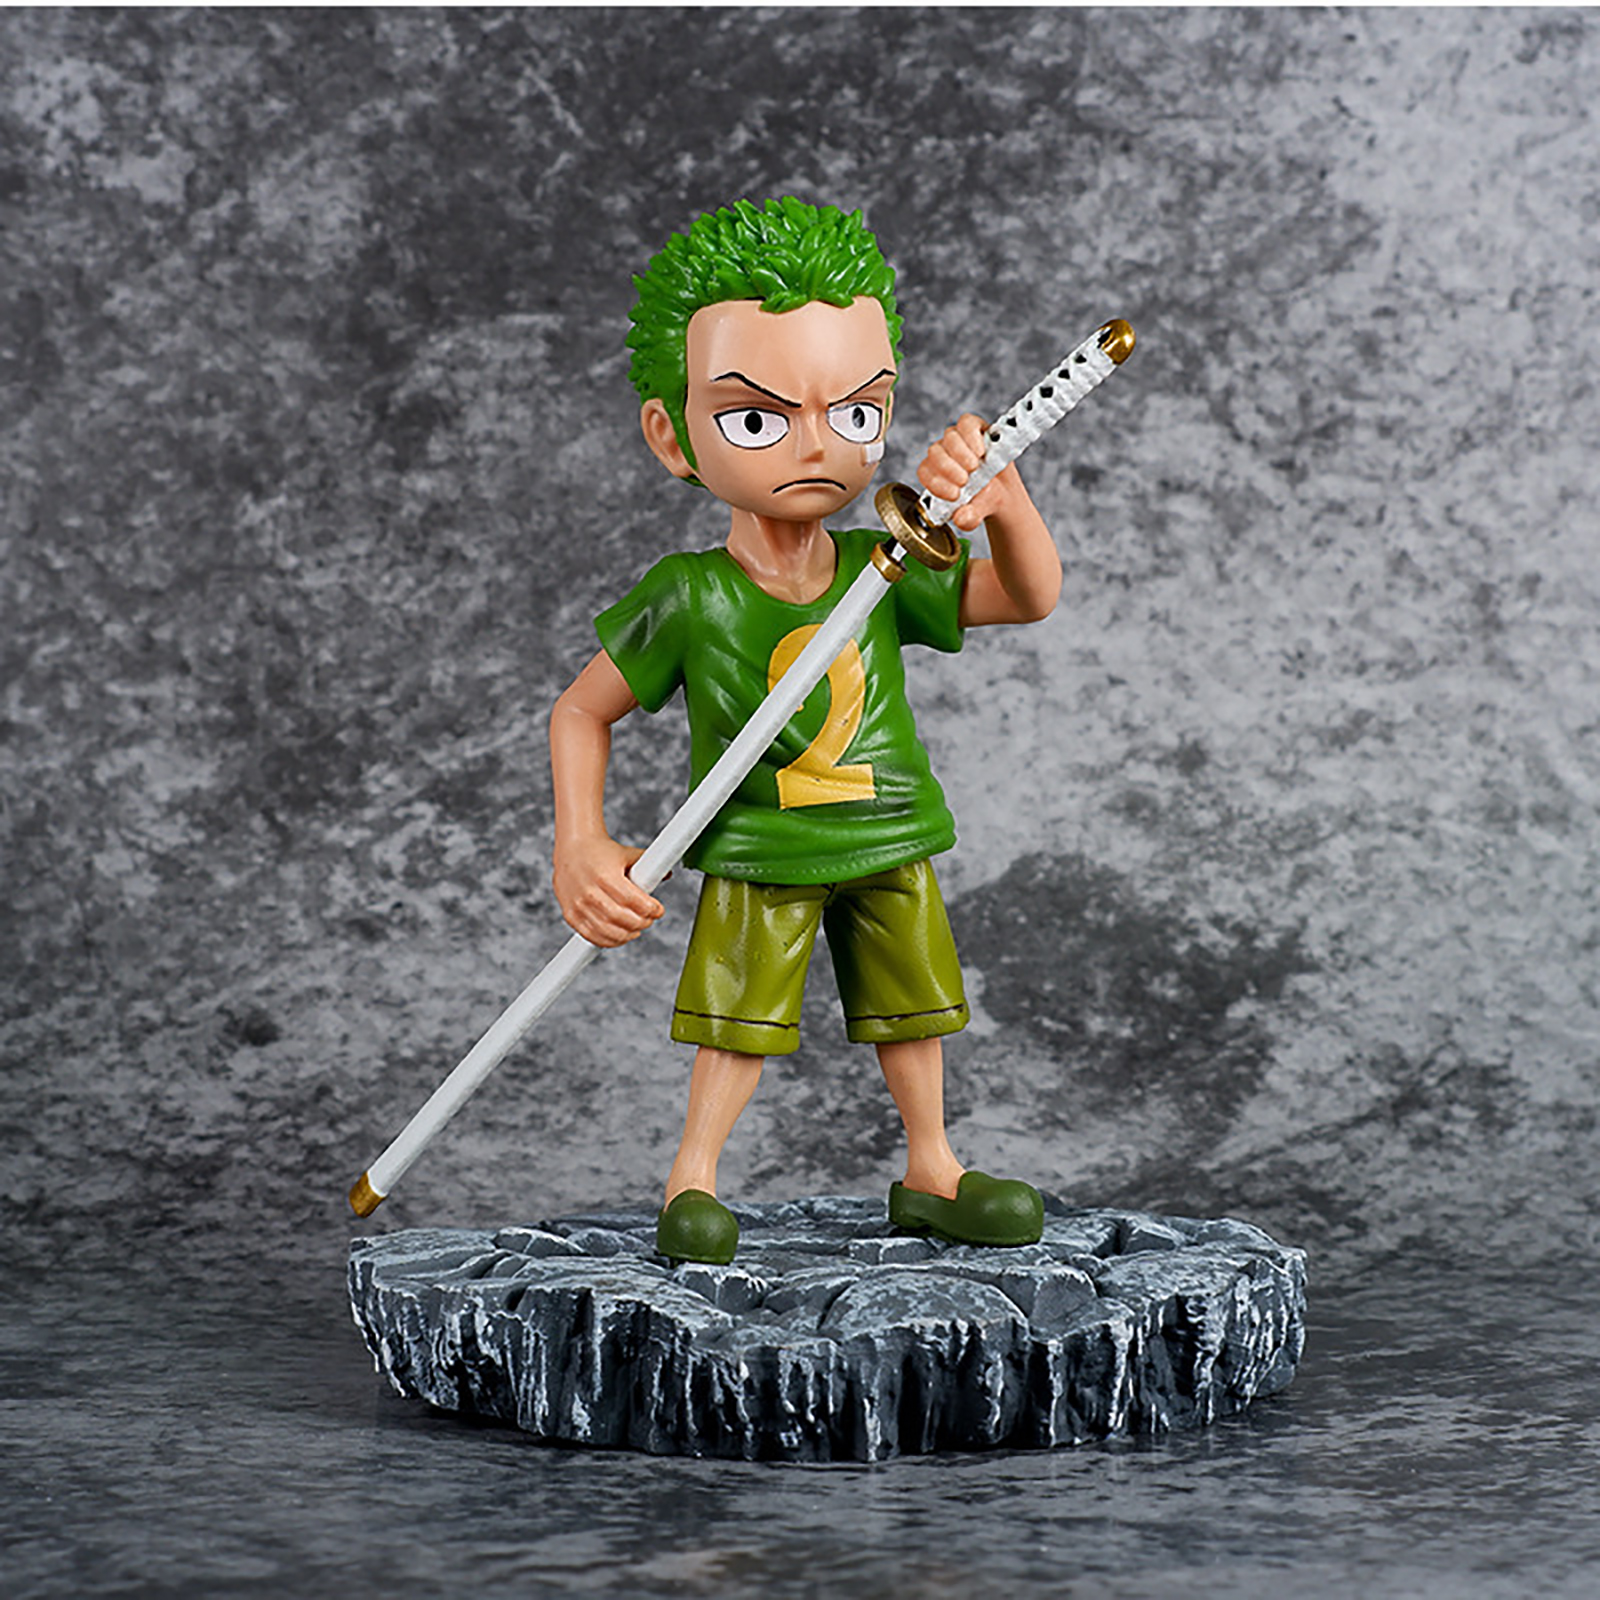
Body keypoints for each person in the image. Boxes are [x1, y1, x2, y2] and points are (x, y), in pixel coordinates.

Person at [549, 198, 1061, 1265]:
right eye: (758, 420)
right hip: (762, 847)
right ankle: (692, 1179)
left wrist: (1006, 502)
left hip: (885, 833)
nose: (819, 446)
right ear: (672, 435)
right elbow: (581, 710)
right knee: (736, 1021)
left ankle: (932, 1168)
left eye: (858, 412)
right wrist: (581, 842)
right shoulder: (691, 595)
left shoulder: (889, 562)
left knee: (914, 1012)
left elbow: (1027, 598)